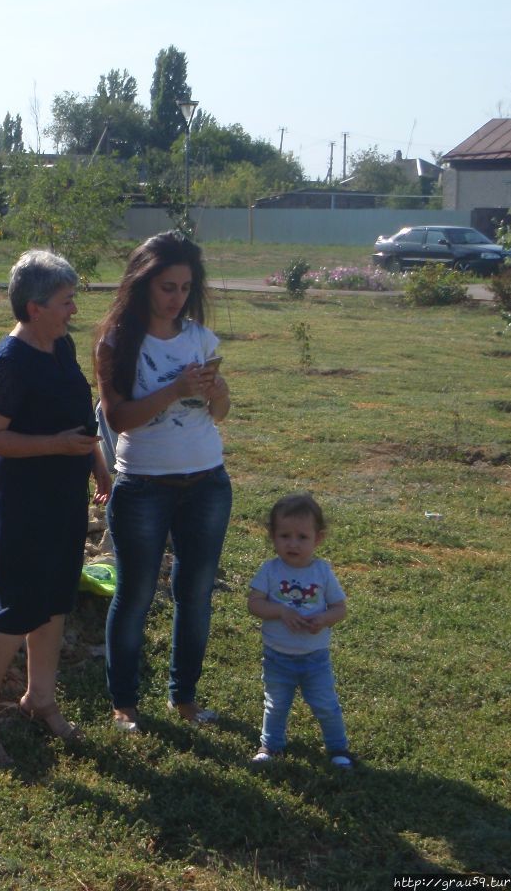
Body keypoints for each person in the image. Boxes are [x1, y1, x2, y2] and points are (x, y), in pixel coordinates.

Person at [0, 249, 112, 765]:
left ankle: (39, 697)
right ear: (35, 306)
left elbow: (79, 423)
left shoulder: (60, 347)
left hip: (64, 498)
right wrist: (55, 445)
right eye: (66, 301)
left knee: (54, 600)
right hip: (24, 503)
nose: (73, 310)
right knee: (16, 609)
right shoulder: (10, 363)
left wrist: (99, 469)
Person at [94, 231, 231, 732]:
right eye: (167, 286)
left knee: (195, 593)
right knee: (135, 594)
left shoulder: (199, 338)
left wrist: (216, 391)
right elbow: (118, 418)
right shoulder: (117, 341)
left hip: (207, 481)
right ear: (143, 283)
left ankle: (185, 699)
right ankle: (124, 706)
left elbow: (221, 412)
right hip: (144, 486)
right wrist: (175, 389)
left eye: (184, 288)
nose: (176, 298)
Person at [247, 493, 356, 769]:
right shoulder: (270, 571)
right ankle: (270, 746)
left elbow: (339, 608)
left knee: (325, 705)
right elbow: (255, 604)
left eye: (302, 537)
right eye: (284, 536)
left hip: (314, 657)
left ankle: (337, 749)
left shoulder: (322, 572)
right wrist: (281, 611)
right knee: (276, 704)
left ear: (318, 539)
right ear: (273, 536)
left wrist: (324, 619)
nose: (292, 543)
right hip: (277, 655)